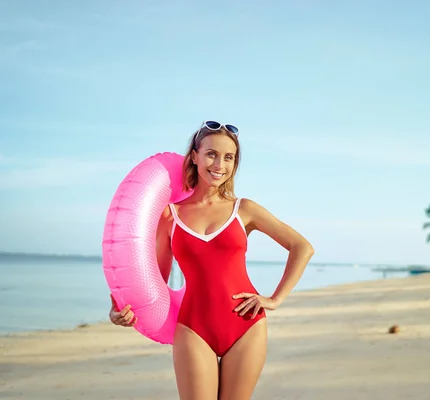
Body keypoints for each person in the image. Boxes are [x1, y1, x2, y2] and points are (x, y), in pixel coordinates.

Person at [108, 120, 314, 400]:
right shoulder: (171, 215)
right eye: (211, 154)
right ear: (194, 156)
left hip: (246, 324)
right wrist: (123, 309)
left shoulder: (244, 209)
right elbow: (153, 279)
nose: (219, 164)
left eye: (228, 157)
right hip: (193, 327)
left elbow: (301, 247)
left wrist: (275, 299)